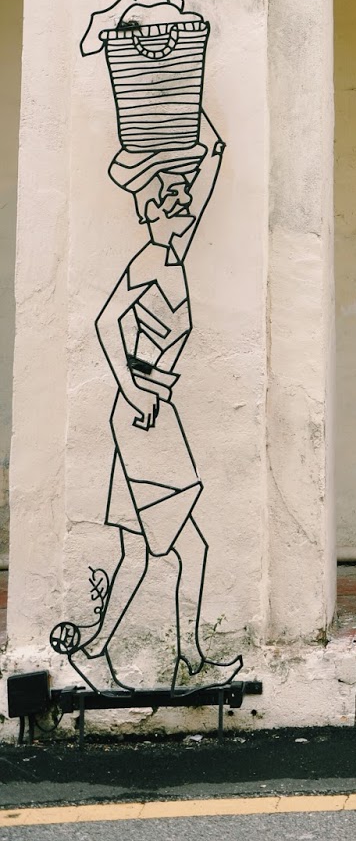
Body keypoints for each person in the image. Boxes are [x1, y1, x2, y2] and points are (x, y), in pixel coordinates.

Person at [58, 112, 242, 694]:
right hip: (143, 413)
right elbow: (105, 321)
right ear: (151, 210)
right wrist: (133, 388)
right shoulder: (148, 261)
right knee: (190, 548)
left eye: (183, 197)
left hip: (150, 410)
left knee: (139, 552)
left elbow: (208, 173)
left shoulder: (172, 254)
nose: (184, 204)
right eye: (171, 199)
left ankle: (99, 651)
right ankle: (185, 659)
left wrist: (204, 134)